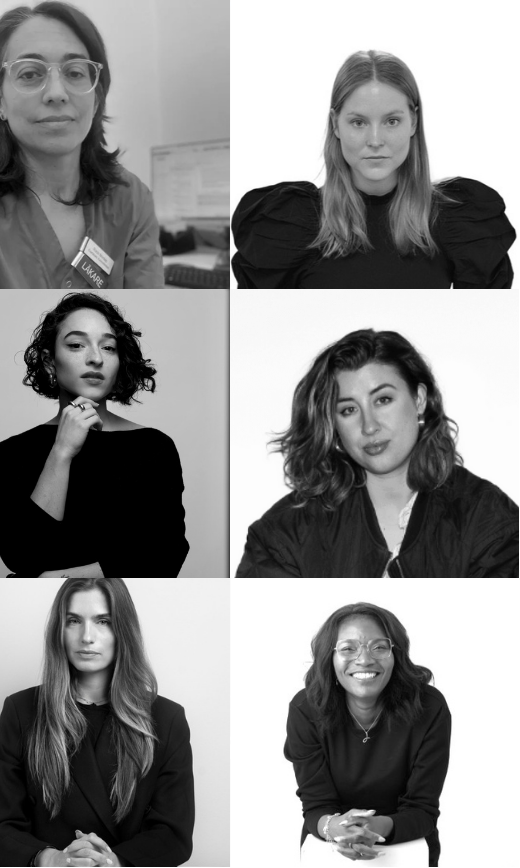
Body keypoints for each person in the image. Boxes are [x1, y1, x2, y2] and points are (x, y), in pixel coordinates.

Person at [237, 329, 518, 577]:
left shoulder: (486, 517)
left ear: (419, 399)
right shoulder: (285, 533)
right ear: (333, 424)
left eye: (383, 400)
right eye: (349, 409)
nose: (369, 426)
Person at [232, 50, 514, 288]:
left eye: (392, 121)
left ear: (414, 122)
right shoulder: (285, 223)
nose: (375, 141)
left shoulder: (461, 220)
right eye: (358, 122)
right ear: (335, 124)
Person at [0, 1, 162, 289]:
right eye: (30, 74)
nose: (57, 93)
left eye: (75, 72)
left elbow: (148, 313)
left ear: (96, 98)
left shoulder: (131, 199)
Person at [0, 578, 193, 867]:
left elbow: (173, 835)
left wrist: (113, 861)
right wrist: (53, 859)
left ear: (123, 630)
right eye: (73, 621)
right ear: (59, 630)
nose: (86, 637)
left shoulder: (167, 719)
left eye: (103, 621)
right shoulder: (21, 711)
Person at [0, 292, 187, 577]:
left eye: (108, 347)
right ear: (49, 361)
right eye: (76, 345)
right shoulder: (12, 453)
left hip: (118, 597)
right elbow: (22, 555)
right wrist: (61, 452)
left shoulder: (154, 447)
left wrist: (63, 577)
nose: (95, 358)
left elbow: (165, 555)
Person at [285, 603, 450, 866]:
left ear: (396, 654)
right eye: (348, 648)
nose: (364, 659)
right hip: (329, 847)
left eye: (379, 647)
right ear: (330, 657)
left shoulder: (429, 707)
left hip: (407, 844)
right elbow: (317, 806)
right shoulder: (306, 709)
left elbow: (423, 809)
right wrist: (338, 829)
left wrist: (373, 828)